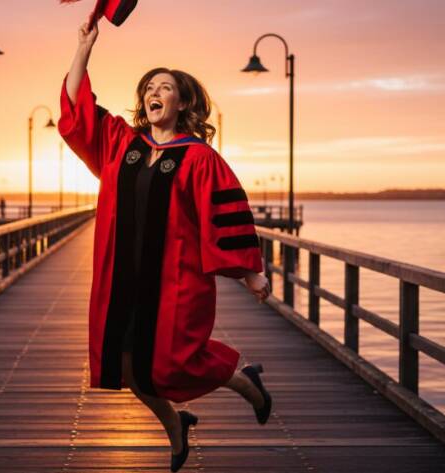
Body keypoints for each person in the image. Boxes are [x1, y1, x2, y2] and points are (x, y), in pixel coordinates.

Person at [59, 19, 273, 472]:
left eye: (166, 87)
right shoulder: (121, 144)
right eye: (150, 87)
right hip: (121, 280)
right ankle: (175, 426)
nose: (155, 92)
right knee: (128, 366)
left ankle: (244, 382)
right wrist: (83, 49)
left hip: (176, 281)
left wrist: (250, 272)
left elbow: (224, 215)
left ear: (182, 102)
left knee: (173, 364)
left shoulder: (198, 158)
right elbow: (77, 113)